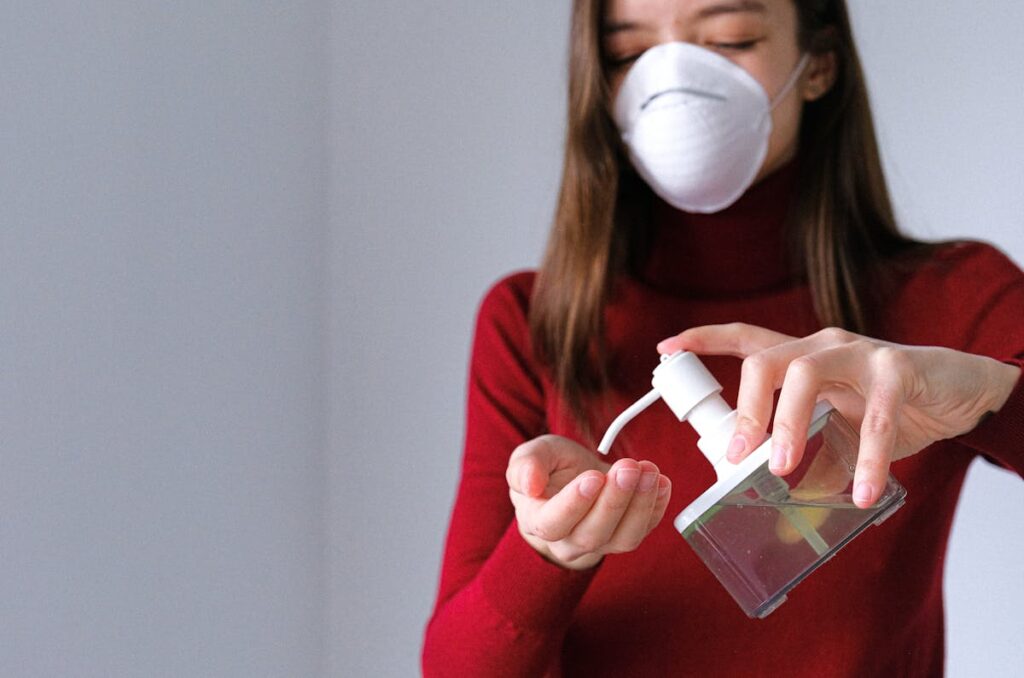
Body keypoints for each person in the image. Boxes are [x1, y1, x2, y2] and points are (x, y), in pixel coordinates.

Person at [423, 0, 1024, 675]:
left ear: (820, 62)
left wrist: (990, 394)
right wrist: (547, 554)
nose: (673, 81)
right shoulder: (534, 323)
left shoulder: (952, 301)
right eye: (628, 54)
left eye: (729, 38)